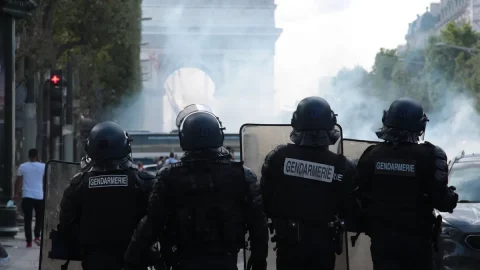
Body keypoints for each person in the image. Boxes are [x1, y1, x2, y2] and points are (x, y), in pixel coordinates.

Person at [124, 104, 269, 270]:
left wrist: (131, 259)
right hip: (226, 262)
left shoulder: (169, 176)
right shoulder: (243, 175)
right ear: (219, 135)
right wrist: (259, 260)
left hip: (183, 262)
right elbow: (258, 223)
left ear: (183, 139)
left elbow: (152, 224)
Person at [356, 97, 458, 270]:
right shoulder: (432, 155)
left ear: (387, 120)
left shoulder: (371, 155)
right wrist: (452, 197)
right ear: (420, 126)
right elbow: (442, 201)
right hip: (417, 244)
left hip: (383, 243)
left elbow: (359, 195)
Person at [260, 96, 357, 270]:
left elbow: (265, 202)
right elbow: (349, 210)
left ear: (296, 122)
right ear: (330, 123)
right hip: (323, 246)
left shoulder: (278, 157)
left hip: (289, 244)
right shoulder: (343, 166)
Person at [57, 121, 156, 270]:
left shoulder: (78, 185)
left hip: (94, 261)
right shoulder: (143, 182)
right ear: (126, 147)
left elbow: (65, 226)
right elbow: (158, 221)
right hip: (134, 261)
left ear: (89, 148)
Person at [14, 148, 45, 248]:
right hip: (39, 195)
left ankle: (29, 242)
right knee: (39, 217)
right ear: (37, 155)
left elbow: (18, 181)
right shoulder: (43, 166)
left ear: (28, 156)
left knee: (27, 219)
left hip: (27, 195)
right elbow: (46, 180)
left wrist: (16, 194)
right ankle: (37, 236)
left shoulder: (23, 166)